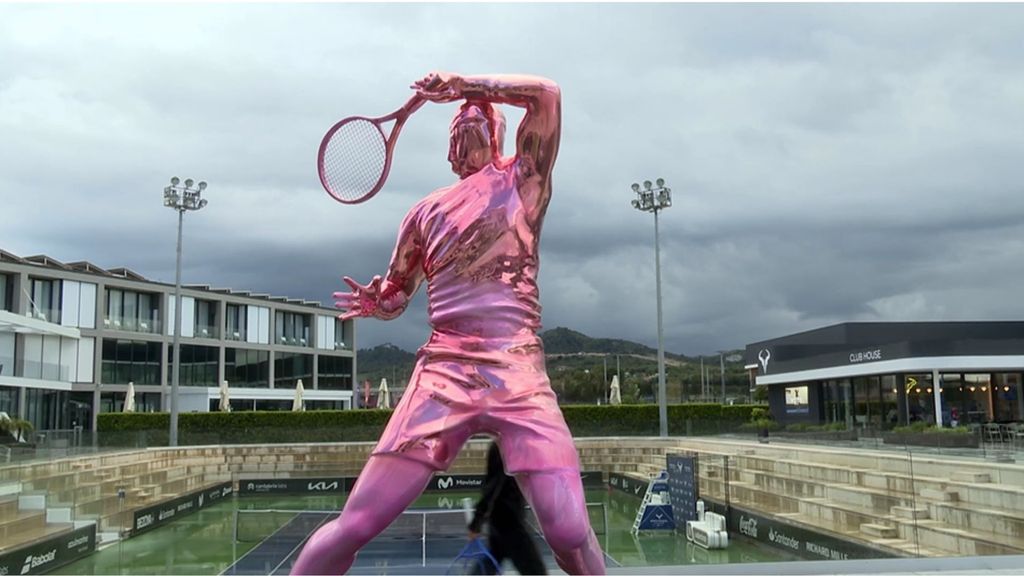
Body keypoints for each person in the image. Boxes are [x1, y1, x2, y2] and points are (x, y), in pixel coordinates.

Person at [289, 72, 605, 576]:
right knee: (357, 522)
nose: (471, 119)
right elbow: (399, 293)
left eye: (481, 115)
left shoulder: (525, 182)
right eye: (462, 118)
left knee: (568, 530)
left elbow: (547, 94)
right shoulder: (424, 213)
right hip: (444, 373)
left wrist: (464, 85)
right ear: (450, 149)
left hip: (518, 368)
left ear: (500, 133)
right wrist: (381, 301)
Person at [468, 442, 548, 575]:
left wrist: (477, 522)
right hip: (510, 522)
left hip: (501, 521)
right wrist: (476, 522)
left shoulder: (504, 445)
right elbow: (493, 487)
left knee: (490, 562)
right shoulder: (507, 447)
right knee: (536, 571)